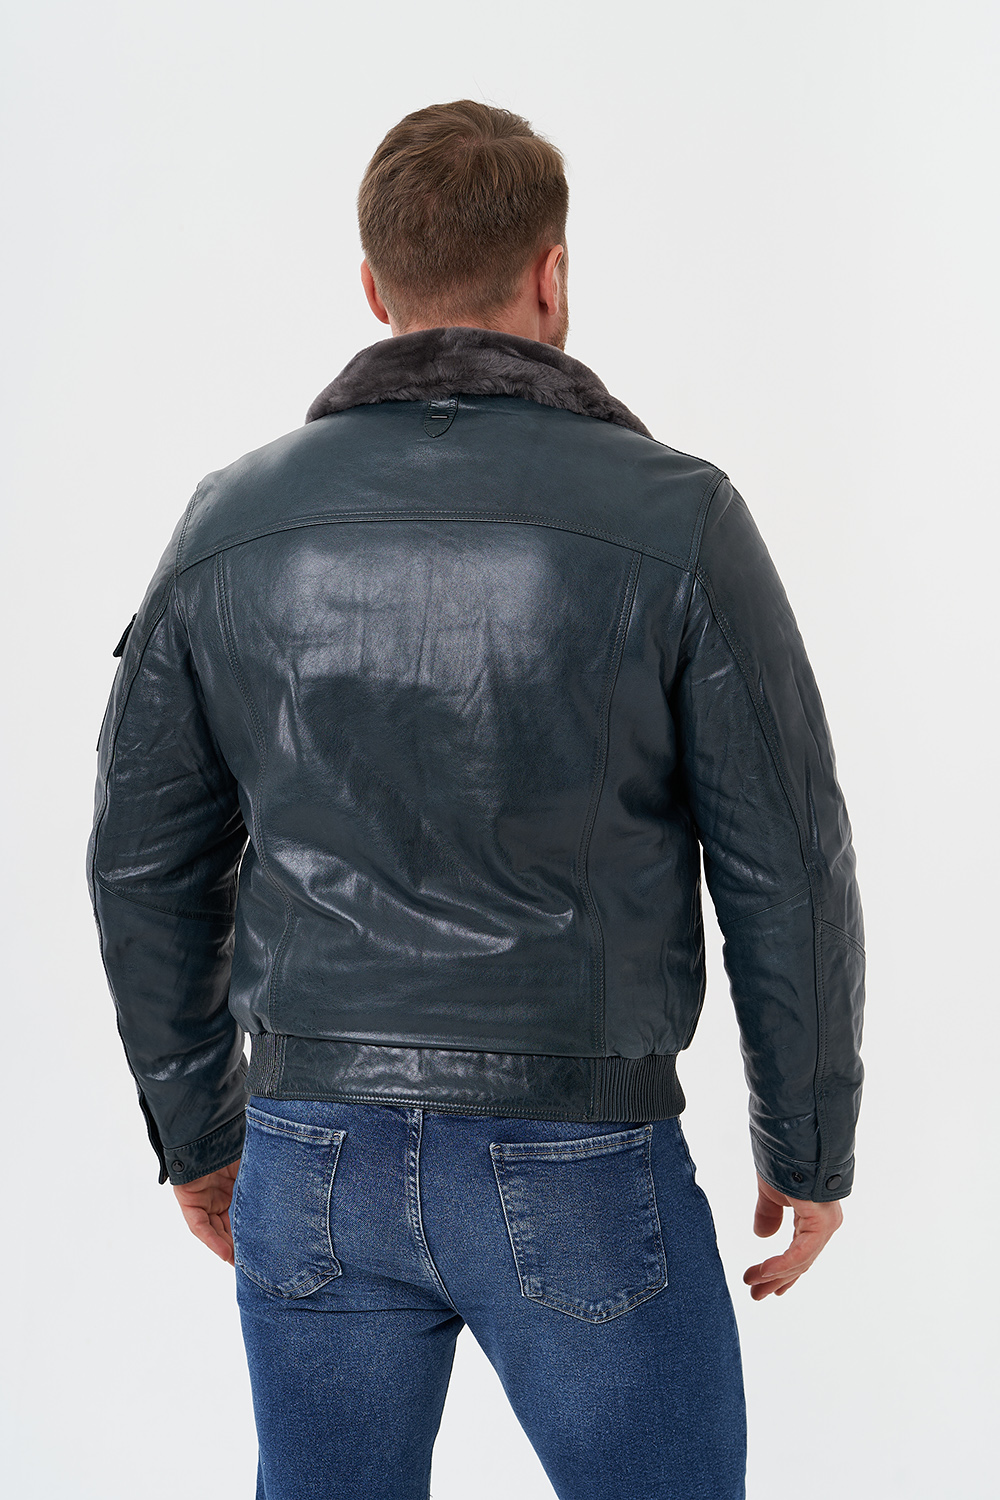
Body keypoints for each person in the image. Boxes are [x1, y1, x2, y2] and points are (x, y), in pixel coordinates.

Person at [87, 99, 865, 1500]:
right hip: (580, 1150)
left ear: (374, 289)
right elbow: (786, 863)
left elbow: (142, 864)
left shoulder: (229, 523)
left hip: (312, 1152)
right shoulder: (677, 517)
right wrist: (806, 1144)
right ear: (552, 275)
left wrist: (200, 1132)